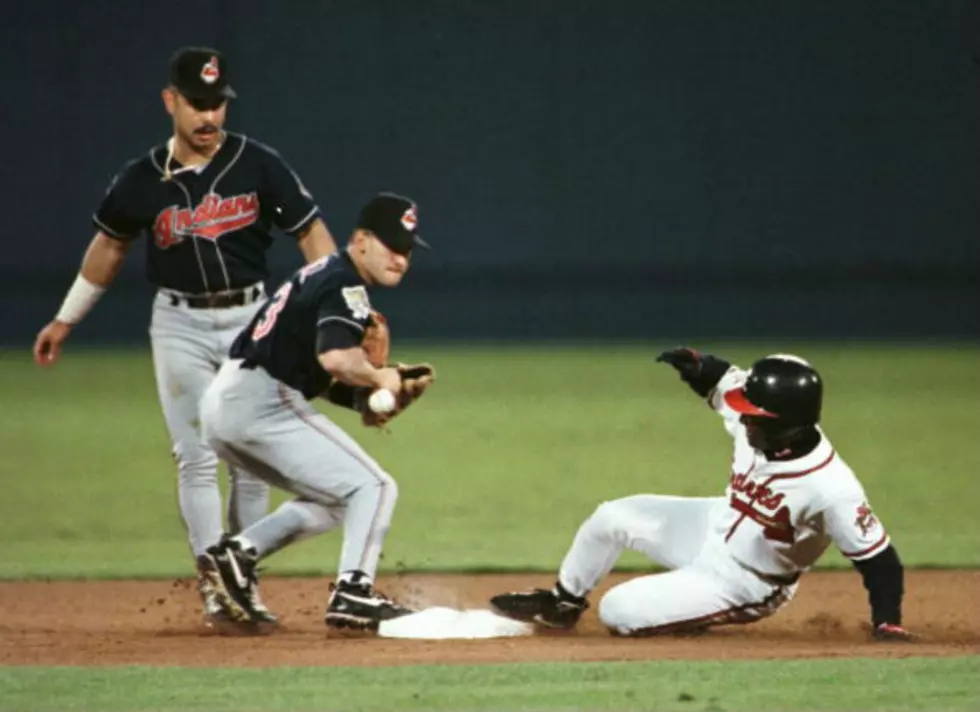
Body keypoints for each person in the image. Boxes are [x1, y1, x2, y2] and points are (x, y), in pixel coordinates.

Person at [32, 47, 337, 625]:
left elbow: (311, 233)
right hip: (180, 325)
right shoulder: (140, 179)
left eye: (217, 105)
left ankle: (242, 577)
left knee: (250, 457)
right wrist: (67, 318)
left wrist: (338, 304)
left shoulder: (257, 163)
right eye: (197, 104)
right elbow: (110, 247)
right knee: (196, 457)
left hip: (253, 320)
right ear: (170, 101)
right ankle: (214, 589)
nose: (209, 117)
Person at [490, 348, 913, 641]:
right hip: (716, 524)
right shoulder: (759, 426)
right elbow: (721, 381)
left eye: (753, 417)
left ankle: (687, 613)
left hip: (746, 581)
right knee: (612, 516)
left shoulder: (831, 488)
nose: (743, 421)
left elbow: (879, 560)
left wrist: (887, 624)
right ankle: (563, 605)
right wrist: (696, 364)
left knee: (618, 612)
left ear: (790, 424)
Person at [199, 192, 435, 632]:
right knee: (376, 487)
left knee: (342, 498)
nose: (400, 259)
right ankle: (353, 593)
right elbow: (336, 360)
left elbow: (316, 372)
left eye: (406, 250)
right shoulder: (344, 283)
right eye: (391, 245)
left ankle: (237, 555)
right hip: (260, 400)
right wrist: (380, 378)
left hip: (231, 403)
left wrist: (366, 400)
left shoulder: (325, 275)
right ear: (360, 239)